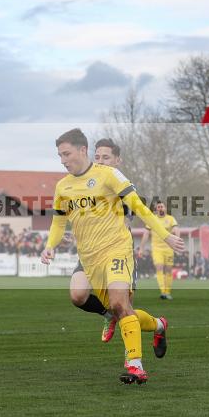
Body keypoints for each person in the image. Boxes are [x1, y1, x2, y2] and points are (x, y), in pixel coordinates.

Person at [41, 128, 184, 385]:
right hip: (89, 257)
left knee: (120, 304)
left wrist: (165, 235)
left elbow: (139, 206)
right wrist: (50, 245)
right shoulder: (63, 186)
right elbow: (58, 222)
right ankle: (159, 325)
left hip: (117, 249)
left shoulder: (108, 175)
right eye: (59, 155)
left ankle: (135, 365)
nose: (62, 159)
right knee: (78, 296)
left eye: (66, 153)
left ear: (82, 150)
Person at [66, 138, 131, 343]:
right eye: (98, 157)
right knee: (78, 296)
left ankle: (154, 330)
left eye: (106, 157)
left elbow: (128, 220)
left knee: (123, 308)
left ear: (117, 160)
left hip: (116, 253)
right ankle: (106, 314)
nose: (101, 161)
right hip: (89, 254)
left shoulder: (122, 185)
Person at [139, 200, 179, 300]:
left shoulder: (170, 219)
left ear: (165, 208)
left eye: (162, 206)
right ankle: (163, 292)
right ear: (156, 210)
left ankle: (167, 291)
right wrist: (141, 248)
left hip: (169, 248)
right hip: (157, 248)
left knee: (168, 269)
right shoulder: (152, 219)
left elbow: (176, 230)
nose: (160, 208)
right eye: (158, 207)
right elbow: (146, 234)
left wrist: (177, 242)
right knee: (159, 267)